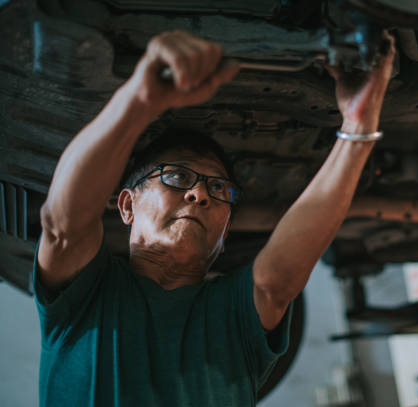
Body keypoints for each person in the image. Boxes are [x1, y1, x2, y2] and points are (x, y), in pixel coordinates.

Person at [34, 30, 395, 406]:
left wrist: (357, 126)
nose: (200, 193)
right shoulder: (86, 296)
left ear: (224, 235)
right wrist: (138, 99)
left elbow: (277, 281)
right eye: (176, 177)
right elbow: (62, 228)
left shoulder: (232, 314)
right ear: (127, 205)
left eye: (219, 189)